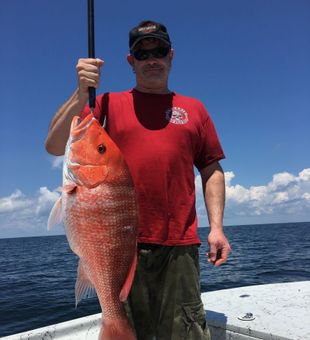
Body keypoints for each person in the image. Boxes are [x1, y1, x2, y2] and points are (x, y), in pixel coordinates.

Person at [45, 20, 231, 340]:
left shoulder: (194, 109)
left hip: (180, 245)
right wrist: (81, 91)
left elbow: (211, 169)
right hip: (121, 246)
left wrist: (216, 227)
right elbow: (54, 143)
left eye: (159, 51)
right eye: (142, 54)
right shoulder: (106, 104)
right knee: (127, 327)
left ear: (171, 56)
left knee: (186, 331)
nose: (152, 59)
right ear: (131, 62)